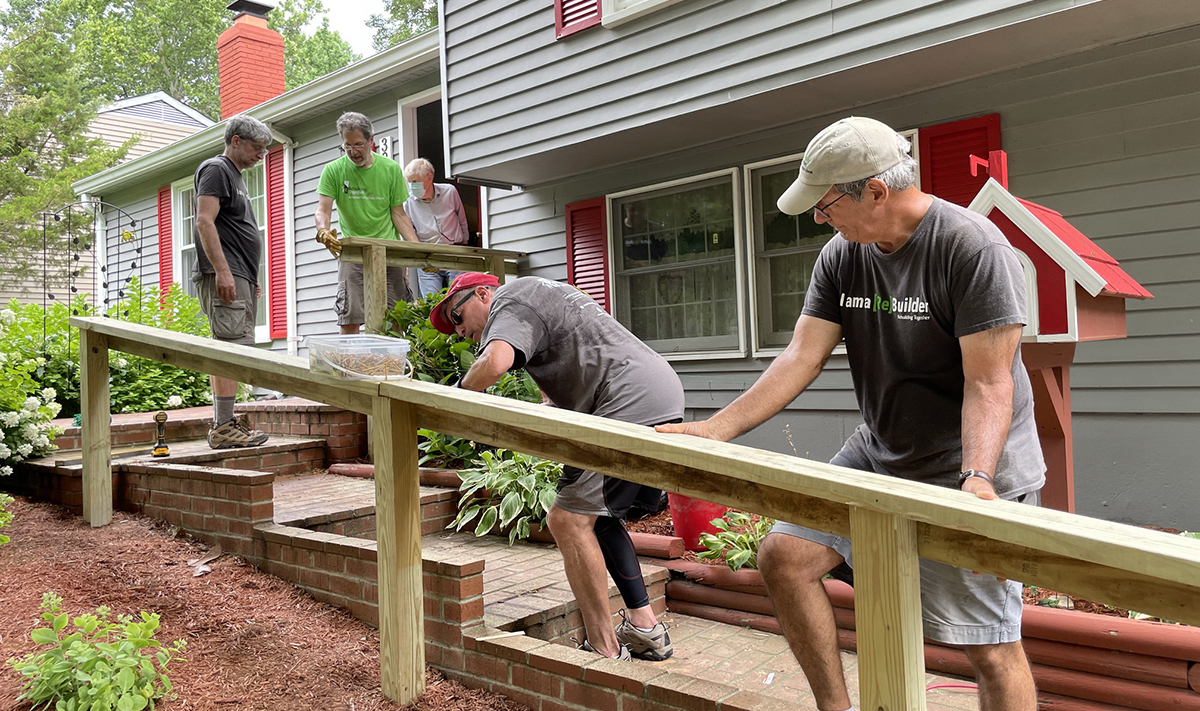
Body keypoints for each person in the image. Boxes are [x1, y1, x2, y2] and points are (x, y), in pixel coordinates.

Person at [658, 116, 1045, 711]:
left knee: (989, 648)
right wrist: (716, 430)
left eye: (826, 202)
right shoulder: (844, 254)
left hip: (970, 461)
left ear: (876, 190)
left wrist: (977, 479)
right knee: (785, 558)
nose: (818, 217)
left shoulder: (972, 248)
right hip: (882, 449)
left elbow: (990, 382)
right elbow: (801, 355)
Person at [430, 272, 681, 662]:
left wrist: (456, 395)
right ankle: (645, 629)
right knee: (596, 518)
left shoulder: (510, 299)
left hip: (626, 400)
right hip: (652, 391)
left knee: (567, 520)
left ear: (482, 294)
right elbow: (558, 387)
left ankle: (604, 648)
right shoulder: (538, 300)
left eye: (458, 318)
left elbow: (495, 363)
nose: (460, 332)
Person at [192, 114, 273, 449]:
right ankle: (223, 426)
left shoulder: (235, 177)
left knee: (234, 347)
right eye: (257, 147)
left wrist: (246, 277)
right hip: (224, 273)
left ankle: (224, 422)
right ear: (236, 141)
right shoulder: (217, 169)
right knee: (230, 348)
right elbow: (204, 222)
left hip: (239, 274)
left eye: (265, 149)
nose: (261, 154)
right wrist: (224, 272)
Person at [314, 112, 419, 334]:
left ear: (371, 140)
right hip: (354, 253)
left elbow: (399, 214)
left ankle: (392, 367)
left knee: (396, 316)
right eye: (347, 145)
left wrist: (417, 250)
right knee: (350, 316)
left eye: (359, 144)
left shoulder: (390, 169)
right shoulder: (333, 170)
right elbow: (323, 209)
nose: (353, 151)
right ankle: (349, 368)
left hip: (390, 252)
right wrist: (323, 231)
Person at [402, 158, 470, 298]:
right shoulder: (408, 203)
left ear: (429, 177)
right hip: (427, 256)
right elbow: (408, 233)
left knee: (459, 298)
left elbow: (461, 218)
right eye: (409, 182)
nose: (412, 186)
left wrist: (465, 243)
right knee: (431, 302)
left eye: (415, 181)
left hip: (454, 252)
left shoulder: (450, 192)